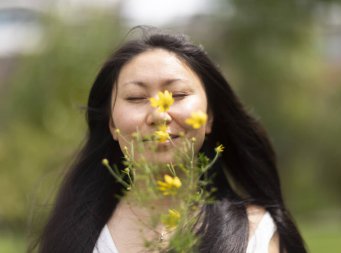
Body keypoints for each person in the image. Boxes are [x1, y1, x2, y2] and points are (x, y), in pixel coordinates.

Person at [36, 27, 307, 253]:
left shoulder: (258, 236)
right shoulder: (74, 237)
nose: (158, 115)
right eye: (136, 98)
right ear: (112, 124)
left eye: (177, 95)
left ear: (209, 116)